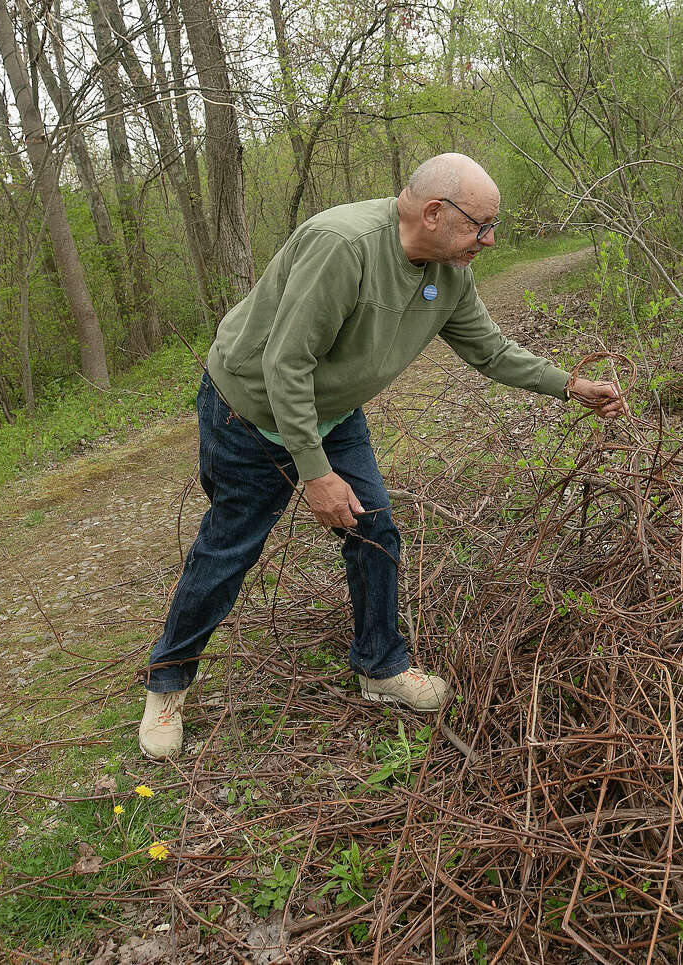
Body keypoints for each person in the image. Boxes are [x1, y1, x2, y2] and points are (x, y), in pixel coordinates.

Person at [137, 153, 624, 759]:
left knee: (375, 529)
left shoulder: (449, 273)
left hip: (334, 411)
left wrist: (571, 387)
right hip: (253, 411)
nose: (490, 238)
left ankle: (380, 666)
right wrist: (315, 475)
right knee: (231, 547)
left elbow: (490, 350)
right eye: (482, 224)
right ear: (434, 212)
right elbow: (285, 365)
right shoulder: (341, 246)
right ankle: (169, 681)